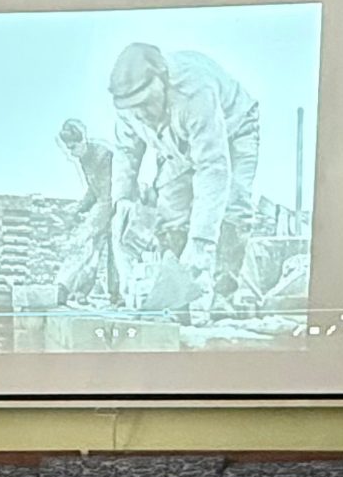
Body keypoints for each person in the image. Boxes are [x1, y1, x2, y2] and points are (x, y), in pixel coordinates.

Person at [108, 42, 261, 315]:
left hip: (234, 129)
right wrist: (122, 200)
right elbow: (126, 150)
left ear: (163, 80)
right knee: (171, 213)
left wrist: (200, 243)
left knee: (232, 206)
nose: (143, 115)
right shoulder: (128, 105)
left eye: (147, 104)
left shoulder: (195, 91)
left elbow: (212, 168)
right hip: (177, 146)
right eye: (135, 109)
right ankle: (178, 297)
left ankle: (223, 297)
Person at [53, 118, 122, 306]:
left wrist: (92, 224)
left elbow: (108, 194)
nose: (71, 153)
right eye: (68, 148)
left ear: (83, 140)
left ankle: (117, 294)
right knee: (92, 251)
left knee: (114, 250)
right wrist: (80, 207)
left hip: (118, 205)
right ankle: (78, 290)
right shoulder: (84, 159)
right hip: (103, 204)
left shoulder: (102, 155)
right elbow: (94, 189)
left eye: (73, 147)